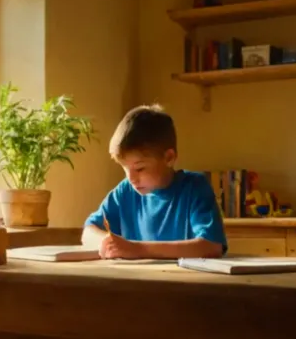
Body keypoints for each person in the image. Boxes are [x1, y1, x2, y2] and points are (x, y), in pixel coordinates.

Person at [82, 104, 227, 260]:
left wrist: (137, 249)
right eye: (125, 168)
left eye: (140, 169)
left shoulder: (195, 187)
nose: (130, 178)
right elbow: (88, 231)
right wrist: (106, 242)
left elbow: (211, 246)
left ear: (169, 158)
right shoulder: (124, 192)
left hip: (186, 282)